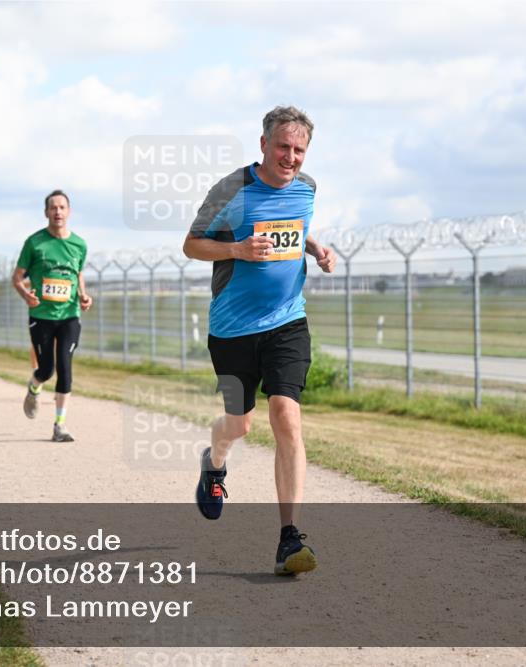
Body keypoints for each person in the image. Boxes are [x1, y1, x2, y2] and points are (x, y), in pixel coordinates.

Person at [182, 105, 337, 576]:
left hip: (287, 321)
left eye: (299, 150)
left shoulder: (307, 189)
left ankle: (290, 538)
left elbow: (296, 230)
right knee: (239, 425)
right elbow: (191, 244)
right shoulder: (231, 190)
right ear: (264, 145)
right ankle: (215, 462)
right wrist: (235, 249)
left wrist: (315, 247)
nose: (291, 158)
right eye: (283, 147)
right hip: (231, 331)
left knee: (285, 415)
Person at [12, 190, 92, 442]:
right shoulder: (35, 243)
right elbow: (17, 278)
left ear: (68, 211)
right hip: (41, 315)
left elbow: (78, 274)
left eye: (62, 207)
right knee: (46, 369)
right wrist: (27, 296)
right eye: (53, 208)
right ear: (46, 212)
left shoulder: (79, 244)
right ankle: (34, 387)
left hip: (69, 314)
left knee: (65, 367)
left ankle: (60, 425)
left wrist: (83, 295)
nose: (58, 211)